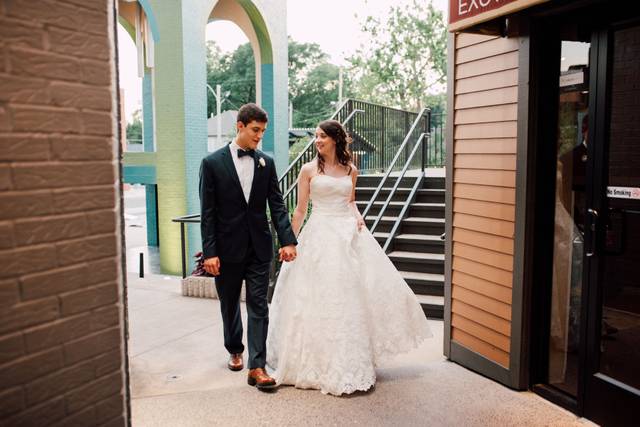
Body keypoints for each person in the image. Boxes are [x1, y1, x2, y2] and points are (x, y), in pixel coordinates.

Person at [266, 120, 432, 396]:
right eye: (316, 136)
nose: (318, 141)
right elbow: (300, 210)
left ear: (335, 139)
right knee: (317, 296)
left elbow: (350, 201)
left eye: (322, 136)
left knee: (349, 295)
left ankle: (349, 360)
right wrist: (288, 242)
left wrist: (357, 217)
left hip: (346, 234)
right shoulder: (308, 170)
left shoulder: (350, 170)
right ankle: (315, 360)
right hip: (319, 234)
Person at [199, 103, 297, 391]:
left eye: (263, 132)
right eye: (255, 130)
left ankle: (258, 366)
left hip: (258, 247)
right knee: (229, 304)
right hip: (226, 249)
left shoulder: (266, 162)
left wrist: (288, 239)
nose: (259, 137)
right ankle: (234, 348)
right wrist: (210, 252)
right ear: (239, 126)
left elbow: (277, 205)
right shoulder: (212, 163)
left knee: (258, 305)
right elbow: (208, 212)